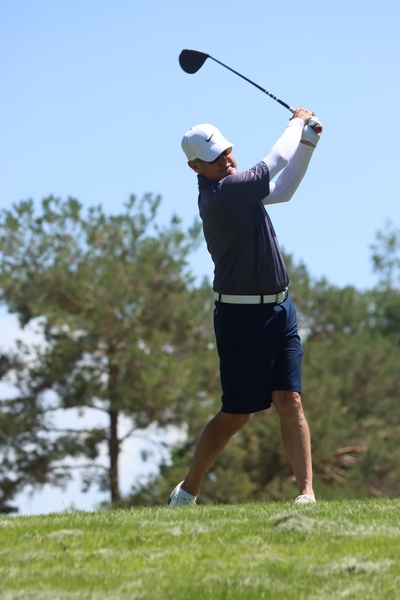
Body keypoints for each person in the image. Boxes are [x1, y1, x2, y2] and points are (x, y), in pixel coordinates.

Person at [168, 109, 322, 506]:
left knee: (290, 399)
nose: (226, 159)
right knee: (236, 414)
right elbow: (277, 160)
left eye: (227, 151)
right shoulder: (222, 196)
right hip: (241, 317)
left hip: (280, 310)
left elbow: (283, 190)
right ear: (195, 167)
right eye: (215, 157)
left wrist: (308, 143)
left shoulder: (237, 188)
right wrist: (297, 123)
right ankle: (187, 491)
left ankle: (306, 493)